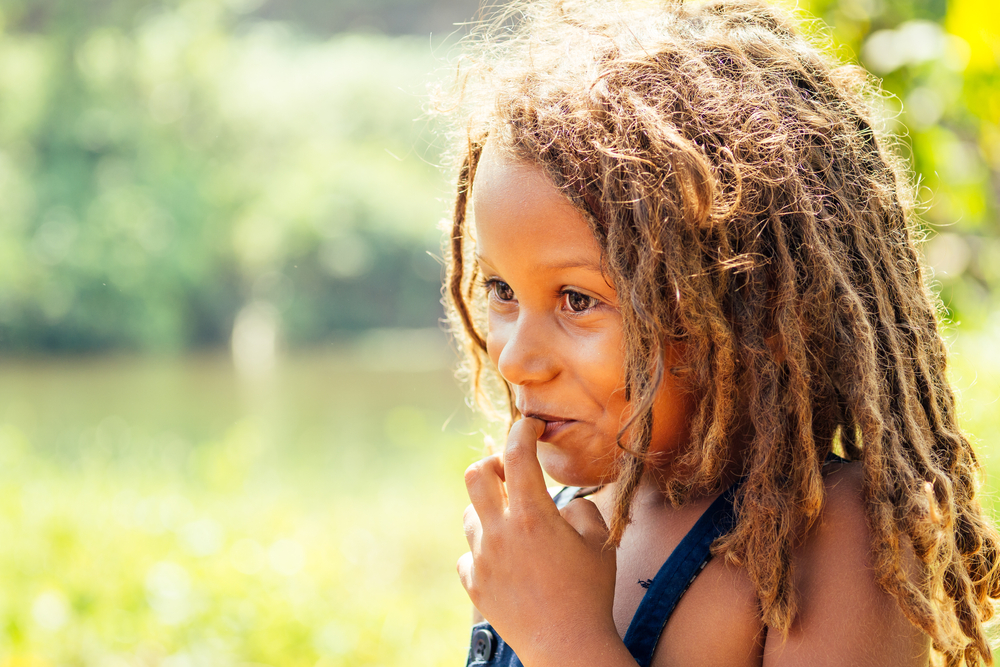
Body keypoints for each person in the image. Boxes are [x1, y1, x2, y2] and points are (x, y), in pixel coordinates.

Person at [439, 0, 1000, 665]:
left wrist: (563, 636)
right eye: (502, 290)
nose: (515, 359)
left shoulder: (833, 538)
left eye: (577, 299)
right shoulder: (544, 529)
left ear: (740, 306)